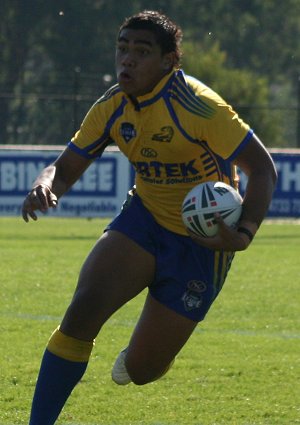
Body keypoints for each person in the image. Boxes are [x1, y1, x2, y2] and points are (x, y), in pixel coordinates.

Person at [22, 10, 277, 425]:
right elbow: (65, 167)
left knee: (142, 372)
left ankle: (149, 355)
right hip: (142, 221)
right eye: (123, 49)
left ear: (168, 61)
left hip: (201, 243)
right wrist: (45, 184)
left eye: (142, 51)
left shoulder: (200, 106)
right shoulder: (111, 107)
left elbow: (262, 169)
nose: (128, 60)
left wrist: (244, 232)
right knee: (81, 312)